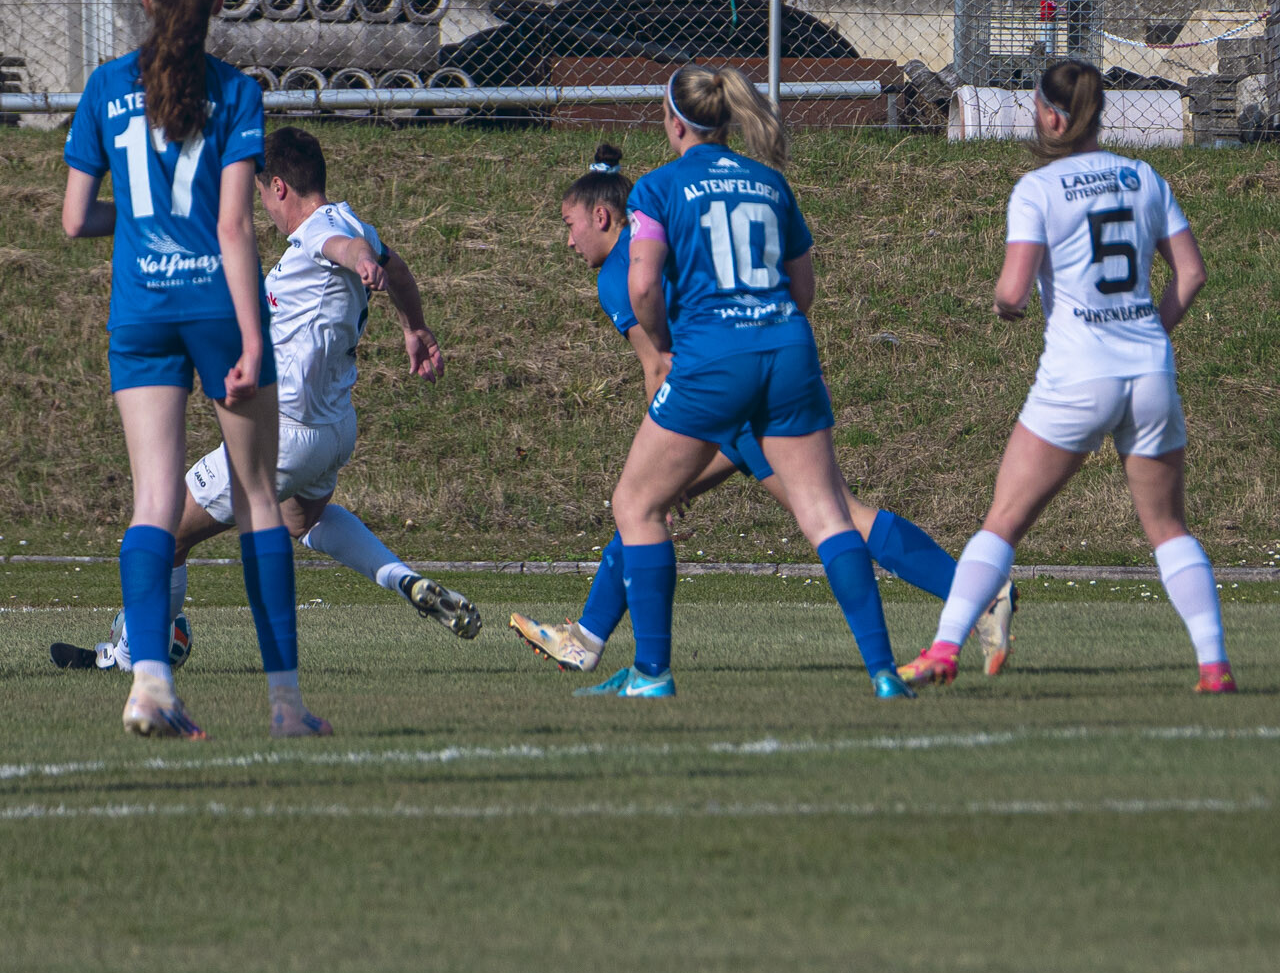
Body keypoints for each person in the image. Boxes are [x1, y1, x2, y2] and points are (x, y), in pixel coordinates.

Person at [510, 143, 1008, 686]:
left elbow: (659, 365)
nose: (569, 240)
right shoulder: (703, 207)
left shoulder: (619, 270)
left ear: (601, 216)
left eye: (570, 225)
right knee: (825, 512)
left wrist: (669, 442)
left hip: (719, 394)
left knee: (645, 502)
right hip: (773, 365)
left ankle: (604, 650)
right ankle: (587, 637)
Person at [51, 125, 476, 673]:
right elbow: (391, 265)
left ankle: (128, 656)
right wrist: (413, 325)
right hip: (333, 432)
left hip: (283, 434)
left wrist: (360, 260)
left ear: (278, 187)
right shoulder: (353, 221)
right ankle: (404, 580)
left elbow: (346, 249)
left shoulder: (322, 232)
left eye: (261, 193)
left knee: (165, 531)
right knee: (303, 522)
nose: (263, 208)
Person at [62, 0, 330, 740]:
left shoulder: (104, 87)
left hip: (140, 311)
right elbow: (233, 227)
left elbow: (74, 219)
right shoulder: (236, 92)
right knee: (258, 498)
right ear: (217, 4)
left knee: (153, 500)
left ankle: (149, 686)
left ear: (144, 1)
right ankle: (285, 704)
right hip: (214, 307)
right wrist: (251, 340)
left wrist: (140, 224)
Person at [582, 66, 914, 700]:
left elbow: (643, 285)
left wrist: (669, 340)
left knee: (636, 505)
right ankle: (883, 673)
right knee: (827, 515)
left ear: (674, 122)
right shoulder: (770, 182)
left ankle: (650, 674)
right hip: (788, 349)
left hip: (712, 357)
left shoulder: (656, 188)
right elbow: (804, 289)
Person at [902, 61, 1233, 692]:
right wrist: (1150, 332)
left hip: (1079, 373)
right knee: (1168, 529)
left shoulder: (1038, 189)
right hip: (1149, 370)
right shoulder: (1143, 176)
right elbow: (1191, 274)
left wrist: (1005, 306)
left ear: (1053, 117)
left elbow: (1012, 292)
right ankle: (1214, 666)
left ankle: (943, 649)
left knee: (1003, 521)